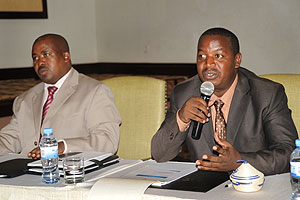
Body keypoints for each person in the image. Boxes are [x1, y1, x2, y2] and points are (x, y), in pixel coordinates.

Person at [151, 27, 298, 175]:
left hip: (254, 186)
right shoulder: (184, 93)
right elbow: (159, 155)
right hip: (202, 189)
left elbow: (289, 154)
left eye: (218, 56)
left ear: (236, 60)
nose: (208, 64)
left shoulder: (267, 94)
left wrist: (240, 161)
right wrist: (181, 118)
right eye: (202, 56)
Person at [0, 33, 121, 159]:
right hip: (27, 172)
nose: (40, 61)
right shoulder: (24, 100)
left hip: (72, 171)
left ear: (66, 56)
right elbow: (10, 139)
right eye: (35, 58)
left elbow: (108, 141)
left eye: (46, 54)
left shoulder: (94, 91)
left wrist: (63, 146)